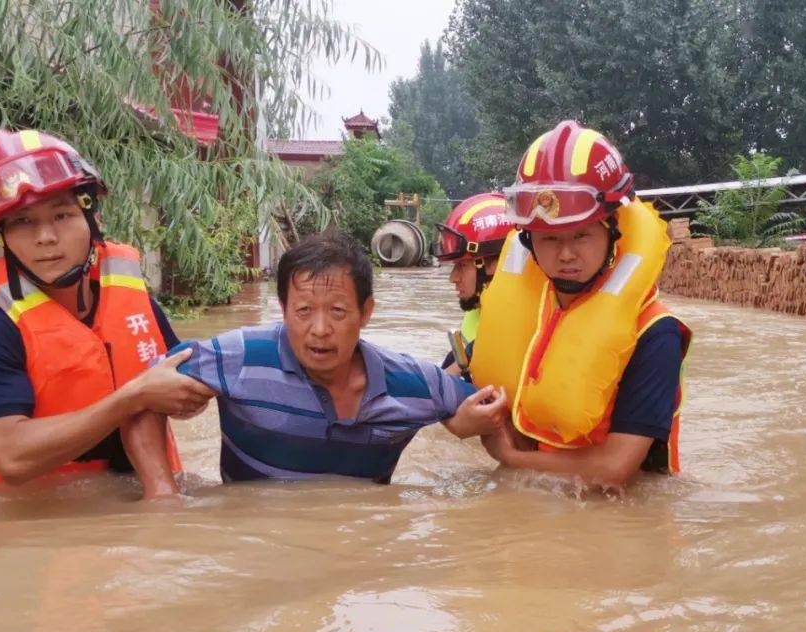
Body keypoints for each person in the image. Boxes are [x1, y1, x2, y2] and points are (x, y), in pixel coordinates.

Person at [0, 129, 213, 495]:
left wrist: (190, 395)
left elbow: (179, 389)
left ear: (93, 220)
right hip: (32, 523)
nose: (45, 237)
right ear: (1, 236)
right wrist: (134, 397)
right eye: (22, 222)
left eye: (61, 214)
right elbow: (11, 458)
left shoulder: (128, 294)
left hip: (140, 496)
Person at [165, 230, 508, 483]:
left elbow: (492, 411)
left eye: (338, 311)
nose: (320, 329)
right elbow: (148, 392)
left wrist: (462, 422)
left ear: (366, 312)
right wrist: (160, 491)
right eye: (303, 310)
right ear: (283, 309)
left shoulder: (412, 383)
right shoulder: (240, 356)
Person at [469, 120, 691, 491]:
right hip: (536, 500)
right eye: (550, 238)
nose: (567, 254)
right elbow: (457, 381)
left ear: (613, 231)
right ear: (528, 240)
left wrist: (511, 458)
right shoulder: (530, 309)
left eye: (582, 234)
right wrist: (457, 418)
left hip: (619, 520)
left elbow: (615, 468)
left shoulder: (656, 334)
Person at [431, 192, 513, 374]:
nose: (452, 278)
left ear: (496, 264)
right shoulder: (479, 311)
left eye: (461, 265)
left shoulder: (525, 328)